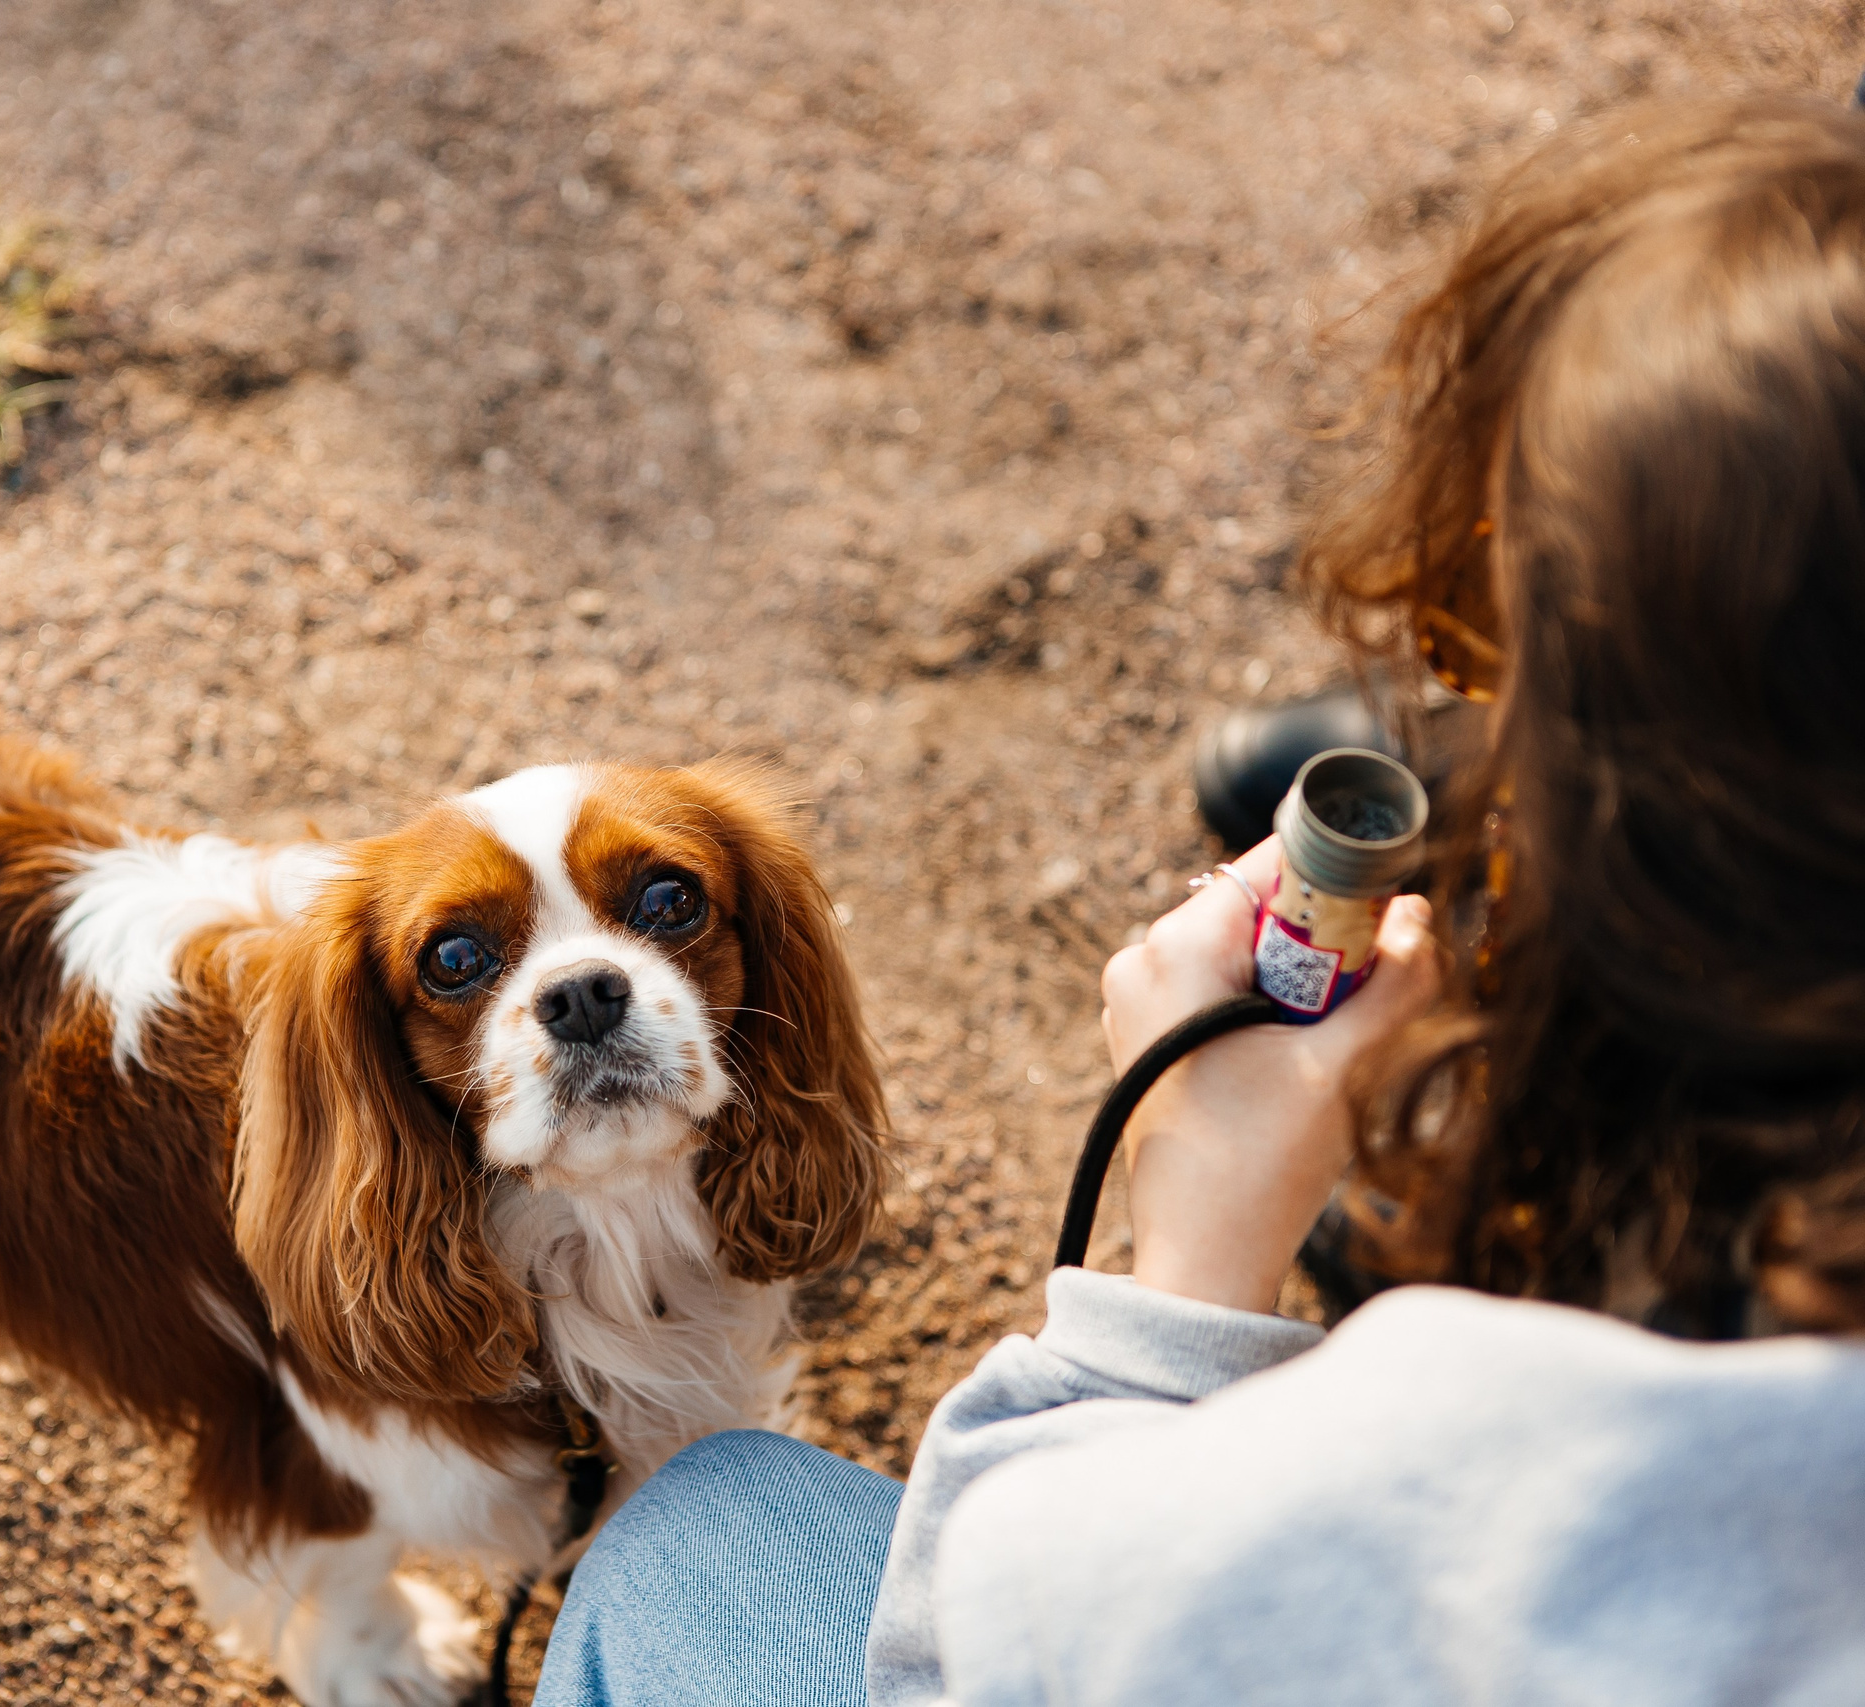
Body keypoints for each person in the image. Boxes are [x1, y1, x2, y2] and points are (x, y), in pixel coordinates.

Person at [532, 94, 1865, 1707]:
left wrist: (1190, 1265)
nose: (1468, 747)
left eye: (1508, 669)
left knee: (704, 1537)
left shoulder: (1478, 1473)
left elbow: (985, 1659)